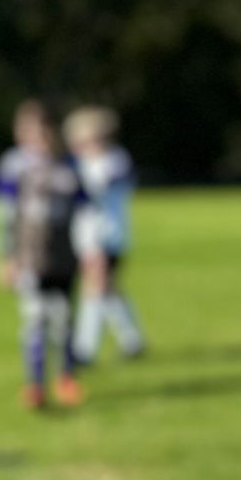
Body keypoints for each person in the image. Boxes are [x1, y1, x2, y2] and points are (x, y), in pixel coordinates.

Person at [0, 100, 85, 410]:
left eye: (44, 129)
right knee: (35, 318)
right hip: (31, 255)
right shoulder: (14, 166)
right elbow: (5, 215)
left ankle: (66, 377)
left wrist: (90, 249)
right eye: (30, 129)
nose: (39, 136)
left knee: (64, 318)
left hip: (64, 254)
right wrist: (7, 256)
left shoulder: (69, 165)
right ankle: (35, 383)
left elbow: (86, 211)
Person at [64, 105, 147, 365]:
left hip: (107, 235)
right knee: (109, 290)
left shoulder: (114, 160)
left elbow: (103, 189)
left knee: (96, 288)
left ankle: (84, 348)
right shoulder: (77, 164)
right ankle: (132, 340)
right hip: (85, 236)